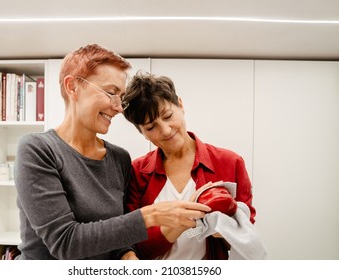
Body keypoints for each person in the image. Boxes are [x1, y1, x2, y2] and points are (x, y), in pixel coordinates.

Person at [14, 44, 210, 260]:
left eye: (121, 97)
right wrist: (151, 215)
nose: (118, 108)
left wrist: (127, 253)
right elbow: (65, 242)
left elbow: (119, 234)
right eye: (110, 93)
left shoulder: (119, 159)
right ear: (72, 87)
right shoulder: (38, 150)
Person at [122, 72, 256, 260]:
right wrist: (182, 221)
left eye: (168, 116)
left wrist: (223, 227)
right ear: (142, 132)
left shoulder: (230, 162)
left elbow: (245, 239)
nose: (166, 130)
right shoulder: (137, 172)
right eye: (151, 127)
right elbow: (135, 248)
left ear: (180, 104)